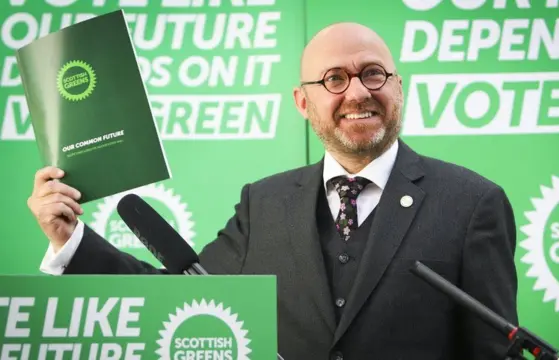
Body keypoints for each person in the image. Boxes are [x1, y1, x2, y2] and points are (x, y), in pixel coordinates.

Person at [29, 22, 519, 360]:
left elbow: (493, 350)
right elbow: (183, 297)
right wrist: (70, 241)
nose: (357, 92)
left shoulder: (472, 204)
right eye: (334, 79)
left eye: (373, 73)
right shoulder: (263, 204)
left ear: (398, 87)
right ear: (304, 102)